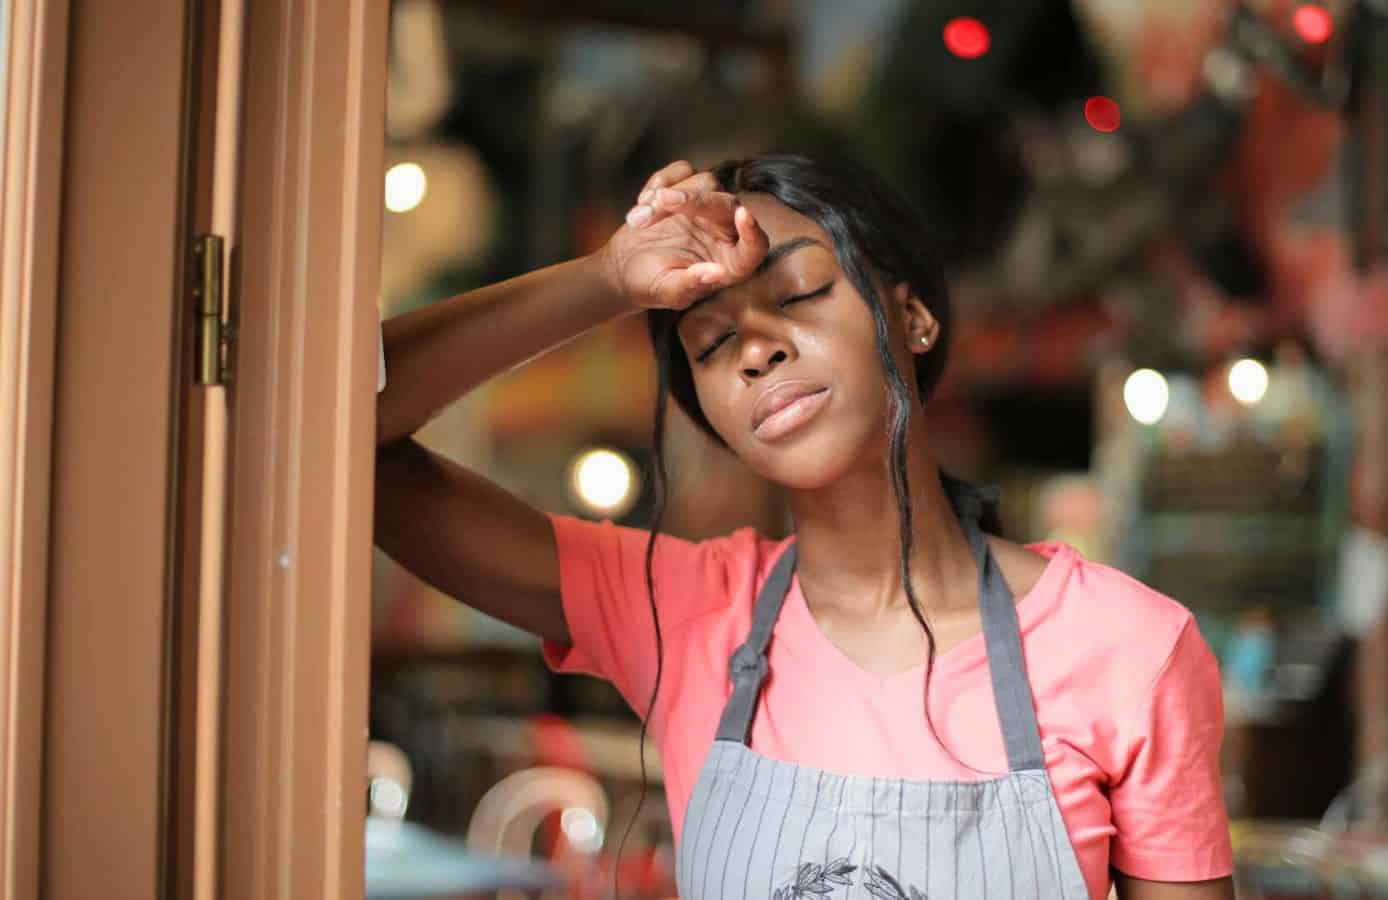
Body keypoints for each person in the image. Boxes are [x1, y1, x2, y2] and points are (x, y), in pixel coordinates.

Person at [376, 154, 1235, 900]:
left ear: (913, 318)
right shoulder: (678, 610)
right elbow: (350, 439)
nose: (756, 350)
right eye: (712, 346)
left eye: (799, 294)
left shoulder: (1128, 648)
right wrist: (605, 280)